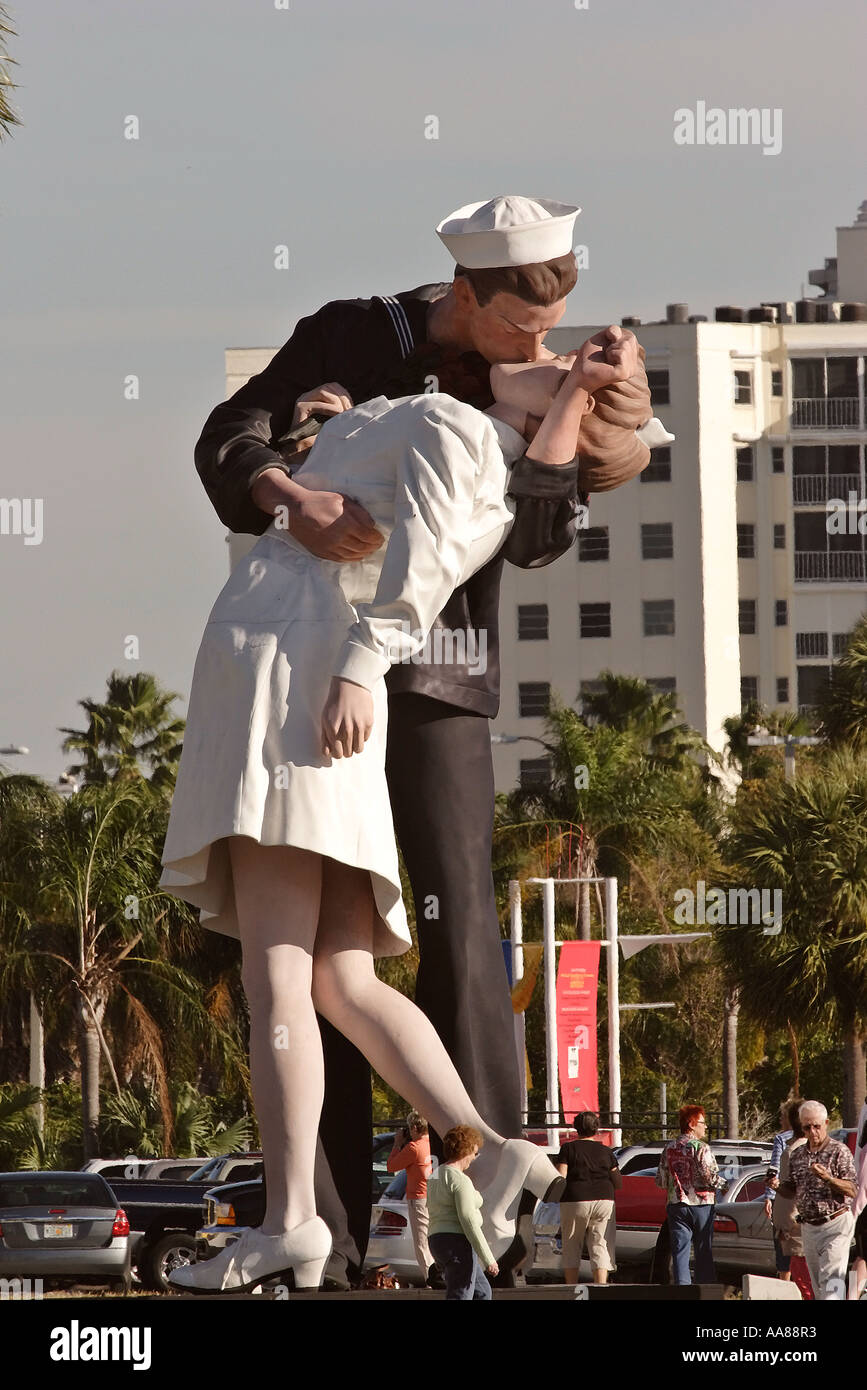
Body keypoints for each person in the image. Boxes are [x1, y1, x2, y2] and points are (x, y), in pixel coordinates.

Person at [191, 193, 655, 1284]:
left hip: (430, 677)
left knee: (442, 935)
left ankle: (477, 1212)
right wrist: (291, 489)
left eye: (555, 333)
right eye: (519, 328)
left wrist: (566, 414)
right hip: (317, 656)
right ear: (464, 296)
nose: (539, 344)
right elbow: (229, 441)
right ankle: (330, 1228)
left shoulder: (506, 413)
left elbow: (531, 540)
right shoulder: (359, 334)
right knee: (326, 968)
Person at [778, 1100, 857, 1301]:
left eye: (817, 1126)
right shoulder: (797, 1154)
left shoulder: (838, 1151)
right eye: (807, 1127)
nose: (812, 1132)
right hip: (809, 1227)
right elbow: (792, 1191)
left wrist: (828, 1178)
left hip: (835, 1223)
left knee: (831, 1282)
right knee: (818, 1287)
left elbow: (852, 1189)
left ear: (826, 1123)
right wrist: (775, 1185)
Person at [655, 1104, 727, 1285]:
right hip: (701, 1203)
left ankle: (683, 1291)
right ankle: (706, 1290)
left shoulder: (669, 1148)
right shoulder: (701, 1147)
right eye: (702, 1122)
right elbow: (708, 1175)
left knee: (680, 1251)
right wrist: (723, 1184)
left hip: (676, 1204)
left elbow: (661, 1180)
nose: (706, 1126)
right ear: (692, 1124)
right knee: (703, 1249)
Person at [426, 1125, 498, 1300]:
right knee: (460, 1295)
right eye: (475, 1153)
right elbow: (468, 1220)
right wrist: (489, 1259)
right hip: (457, 1243)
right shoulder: (460, 1180)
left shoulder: (435, 1175)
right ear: (467, 1151)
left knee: (482, 1292)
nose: (474, 1158)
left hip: (436, 1240)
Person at [555, 1111, 622, 1285]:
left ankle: (571, 1288)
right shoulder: (606, 1151)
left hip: (575, 1198)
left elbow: (561, 1176)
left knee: (571, 1243)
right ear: (596, 1128)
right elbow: (618, 1181)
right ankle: (600, 1288)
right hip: (604, 1199)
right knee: (600, 1244)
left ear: (576, 1128)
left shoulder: (568, 1148)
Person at [763, 1099, 813, 1299]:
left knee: (788, 1259)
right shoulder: (813, 1146)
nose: (781, 1119)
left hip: (789, 1213)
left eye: (783, 1116)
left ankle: (785, 1293)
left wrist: (770, 1193)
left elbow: (776, 1172)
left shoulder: (786, 1144)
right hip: (800, 1213)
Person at [387, 1112, 434, 1283]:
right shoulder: (432, 1144)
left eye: (409, 1128)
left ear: (414, 1128)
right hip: (433, 1197)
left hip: (418, 1199)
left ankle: (431, 1281)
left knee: (422, 1244)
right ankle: (440, 1277)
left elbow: (391, 1166)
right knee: (433, 1241)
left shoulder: (413, 1147)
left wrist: (397, 1144)